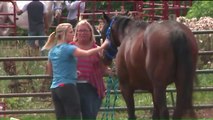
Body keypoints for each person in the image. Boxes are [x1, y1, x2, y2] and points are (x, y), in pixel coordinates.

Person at [41, 23, 109, 120]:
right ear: (64, 34)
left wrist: (71, 72)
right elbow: (87, 53)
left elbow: (50, 72)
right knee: (74, 115)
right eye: (71, 32)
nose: (73, 34)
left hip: (55, 88)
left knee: (61, 116)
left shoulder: (52, 50)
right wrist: (103, 46)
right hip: (67, 87)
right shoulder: (69, 48)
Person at [69, 19, 108, 120]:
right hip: (73, 86)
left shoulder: (98, 49)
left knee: (90, 116)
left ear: (91, 33)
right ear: (76, 33)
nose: (83, 33)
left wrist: (111, 70)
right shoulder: (69, 48)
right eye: (80, 30)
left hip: (92, 87)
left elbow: (103, 69)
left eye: (86, 31)